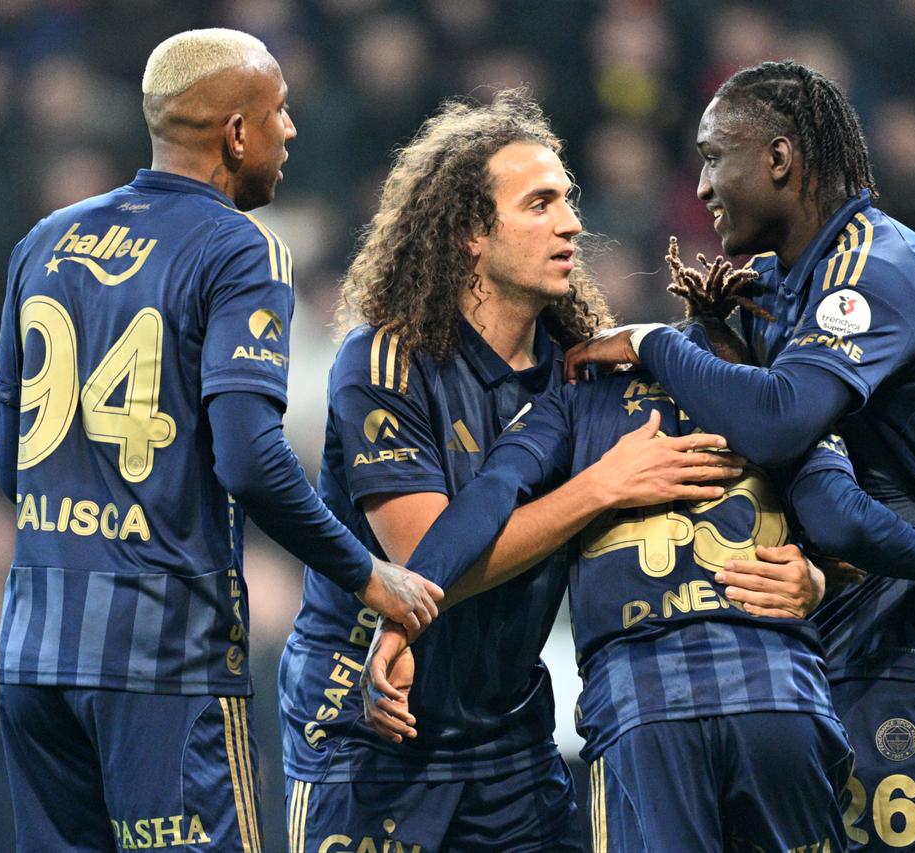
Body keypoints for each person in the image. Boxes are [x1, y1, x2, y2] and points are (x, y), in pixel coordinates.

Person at [364, 252, 915, 852]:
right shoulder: (776, 411)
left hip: (644, 708)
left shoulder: (573, 402)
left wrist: (406, 605)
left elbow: (486, 502)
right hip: (778, 698)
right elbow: (843, 516)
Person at [0, 29, 441, 852]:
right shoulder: (238, 248)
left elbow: (8, 460)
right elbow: (250, 459)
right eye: (278, 111)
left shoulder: (43, 241)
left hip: (35, 648)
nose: (292, 129)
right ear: (237, 133)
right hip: (164, 657)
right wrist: (364, 572)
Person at [564, 60, 915, 852]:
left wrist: (653, 342)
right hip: (832, 626)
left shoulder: (872, 267)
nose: (702, 184)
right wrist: (721, 337)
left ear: (779, 159)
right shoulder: (781, 284)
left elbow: (781, 422)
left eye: (715, 156)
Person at [276, 90, 751, 853]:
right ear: (469, 232)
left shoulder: (585, 372)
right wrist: (600, 487)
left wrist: (807, 573)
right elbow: (425, 559)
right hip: (372, 725)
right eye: (539, 204)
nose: (570, 223)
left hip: (508, 734)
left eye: (568, 200)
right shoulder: (384, 361)